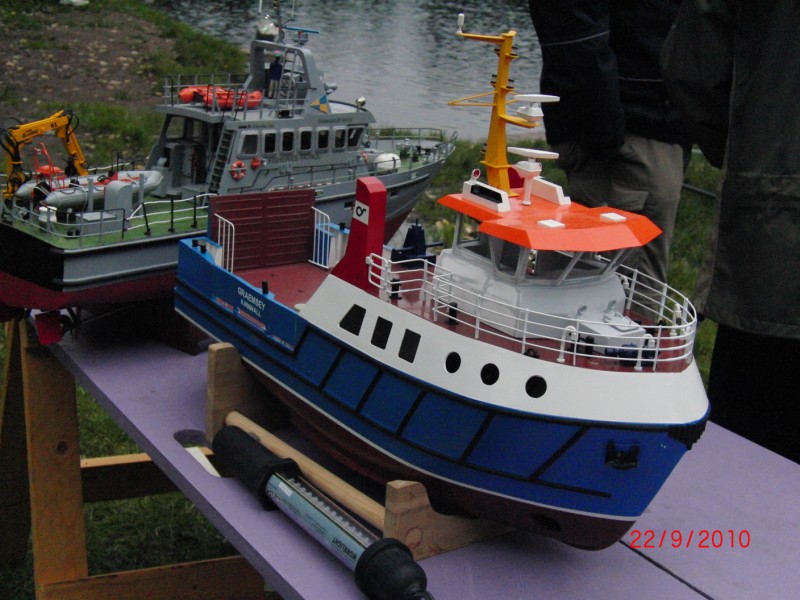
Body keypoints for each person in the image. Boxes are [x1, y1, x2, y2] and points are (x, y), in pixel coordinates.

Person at [662, 0, 800, 463]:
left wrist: (749, 156)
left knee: (746, 464)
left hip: (773, 226)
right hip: (774, 230)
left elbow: (694, 66)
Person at [528, 1, 689, 286]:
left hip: (653, 124)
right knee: (624, 294)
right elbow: (573, 26)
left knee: (589, 285)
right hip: (628, 140)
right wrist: (605, 137)